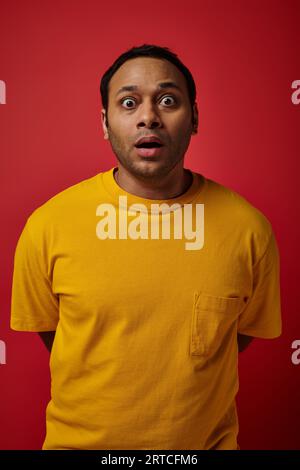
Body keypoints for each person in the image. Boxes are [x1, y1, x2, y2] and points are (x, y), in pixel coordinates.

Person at [10, 43, 282, 450]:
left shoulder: (248, 230)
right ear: (105, 122)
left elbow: (237, 337)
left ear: (194, 119)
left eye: (168, 101)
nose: (149, 117)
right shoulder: (49, 225)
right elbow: (57, 332)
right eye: (129, 102)